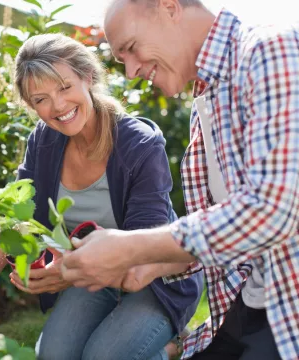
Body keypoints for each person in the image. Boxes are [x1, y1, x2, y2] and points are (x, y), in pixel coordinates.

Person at [61, 0, 299, 359]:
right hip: (252, 306)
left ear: (169, 8)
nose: (130, 71)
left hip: (287, 313)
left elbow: (274, 209)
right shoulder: (209, 94)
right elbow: (237, 230)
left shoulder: (269, 50)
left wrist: (133, 247)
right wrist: (155, 264)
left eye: (130, 48)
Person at [0, 33, 203, 360]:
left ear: (87, 77)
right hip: (92, 277)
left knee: (104, 357)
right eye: (41, 99)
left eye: (64, 87)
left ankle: (166, 344)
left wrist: (69, 271)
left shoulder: (139, 145)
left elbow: (142, 253)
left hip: (155, 277)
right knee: (53, 356)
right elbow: (16, 215)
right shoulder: (44, 142)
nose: (58, 106)